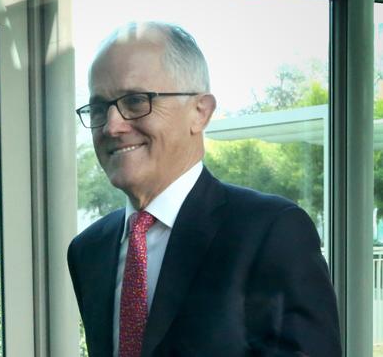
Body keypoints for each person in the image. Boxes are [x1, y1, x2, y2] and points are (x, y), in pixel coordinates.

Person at [68, 22, 341, 357]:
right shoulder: (88, 250)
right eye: (99, 108)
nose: (112, 126)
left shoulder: (271, 232)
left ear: (201, 112)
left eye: (136, 101)